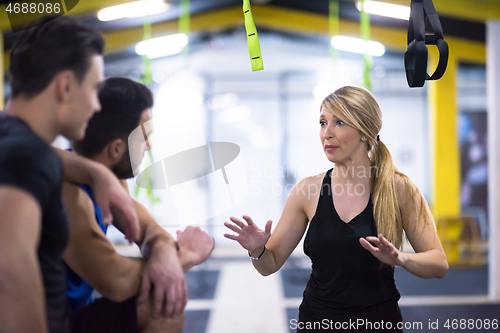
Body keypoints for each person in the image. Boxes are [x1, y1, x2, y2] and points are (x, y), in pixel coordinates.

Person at [224, 86, 449, 332]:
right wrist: (257, 251)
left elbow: (438, 264)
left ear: (364, 132)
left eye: (339, 122)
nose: (326, 133)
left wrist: (401, 258)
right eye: (322, 122)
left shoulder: (400, 189)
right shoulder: (307, 191)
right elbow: (270, 265)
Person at [0, 16, 140, 333]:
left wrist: (96, 173)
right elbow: (8, 273)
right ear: (65, 86)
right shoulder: (29, 157)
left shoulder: (12, 139)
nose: (95, 106)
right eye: (93, 90)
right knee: (156, 302)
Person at [63, 77, 215, 333]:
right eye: (145, 137)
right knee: (162, 304)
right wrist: (185, 257)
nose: (149, 146)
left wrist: (165, 253)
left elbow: (150, 231)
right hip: (45, 322)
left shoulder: (110, 181)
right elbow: (115, 280)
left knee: (163, 298)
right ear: (116, 148)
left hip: (76, 314)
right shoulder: (68, 192)